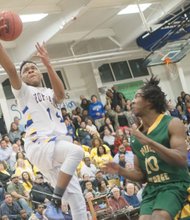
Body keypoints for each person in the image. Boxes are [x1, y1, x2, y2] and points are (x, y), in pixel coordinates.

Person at [0, 40, 87, 220]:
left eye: (33, 68)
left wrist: (48, 64)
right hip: (39, 143)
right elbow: (10, 69)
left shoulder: (49, 91)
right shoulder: (23, 92)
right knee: (77, 151)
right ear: (22, 78)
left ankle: (58, 202)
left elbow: (61, 95)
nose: (30, 70)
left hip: (55, 145)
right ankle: (54, 201)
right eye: (26, 70)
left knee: (77, 201)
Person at [103, 76, 190, 220]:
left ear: (150, 102)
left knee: (158, 217)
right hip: (152, 189)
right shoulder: (136, 135)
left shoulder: (172, 123)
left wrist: (149, 142)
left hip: (174, 184)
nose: (132, 101)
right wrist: (120, 170)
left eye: (137, 96)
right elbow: (141, 176)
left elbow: (181, 159)